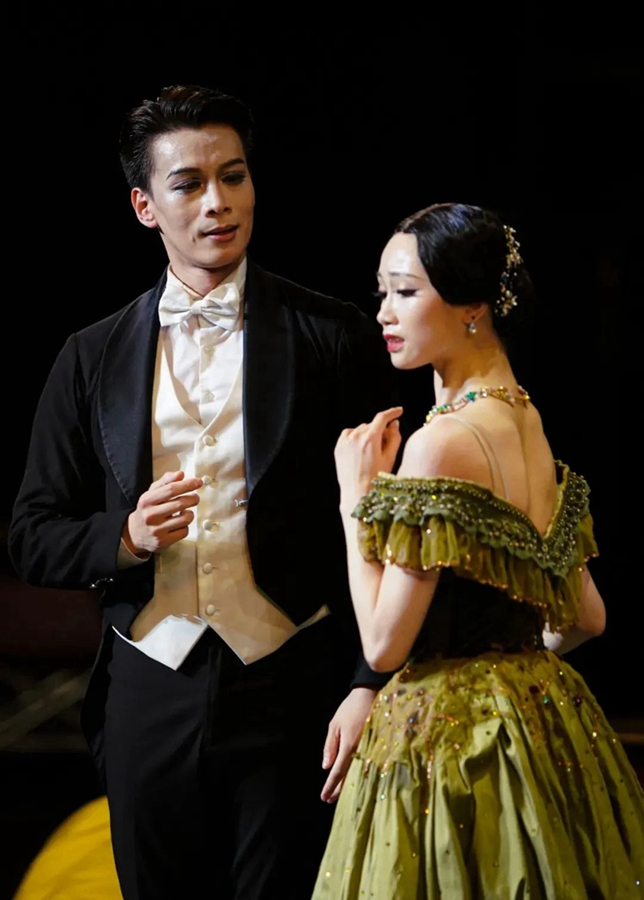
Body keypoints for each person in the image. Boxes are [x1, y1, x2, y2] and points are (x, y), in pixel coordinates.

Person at [8, 84, 397, 900]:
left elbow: (390, 530)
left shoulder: (332, 336)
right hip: (149, 684)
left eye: (235, 176)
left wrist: (369, 681)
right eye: (189, 184)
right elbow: (32, 533)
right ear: (145, 206)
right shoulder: (90, 356)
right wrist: (125, 537)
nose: (219, 202)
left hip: (293, 680)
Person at [311, 202, 644, 899]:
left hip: (452, 742)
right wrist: (513, 672)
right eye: (382, 292)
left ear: (473, 307)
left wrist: (354, 498)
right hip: (543, 723)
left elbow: (383, 645)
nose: (384, 313)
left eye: (406, 292)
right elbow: (586, 617)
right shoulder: (527, 419)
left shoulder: (441, 443)